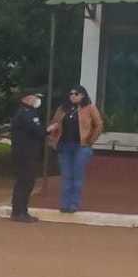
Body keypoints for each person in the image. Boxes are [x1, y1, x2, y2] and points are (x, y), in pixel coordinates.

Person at [47, 85, 104, 213]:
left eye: (76, 93)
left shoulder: (90, 108)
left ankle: (74, 204)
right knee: (66, 176)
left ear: (83, 95)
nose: (73, 95)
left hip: (81, 147)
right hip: (64, 146)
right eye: (71, 93)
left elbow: (99, 125)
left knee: (77, 176)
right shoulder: (62, 109)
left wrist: (90, 141)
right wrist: (53, 140)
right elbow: (54, 124)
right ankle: (64, 204)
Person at [10, 91, 46, 224]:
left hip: (26, 153)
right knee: (25, 182)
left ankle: (21, 211)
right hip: (25, 154)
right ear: (26, 98)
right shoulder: (25, 114)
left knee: (26, 182)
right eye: (35, 97)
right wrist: (48, 130)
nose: (37, 100)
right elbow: (38, 131)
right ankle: (19, 212)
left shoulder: (28, 112)